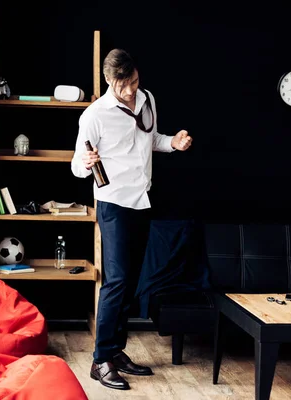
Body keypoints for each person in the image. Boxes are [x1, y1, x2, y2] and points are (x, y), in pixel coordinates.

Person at [71, 48, 192, 390]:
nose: (131, 91)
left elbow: (150, 140)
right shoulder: (94, 116)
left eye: (135, 81)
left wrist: (174, 144)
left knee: (132, 281)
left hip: (142, 200)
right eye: (124, 85)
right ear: (109, 81)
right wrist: (86, 159)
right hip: (113, 204)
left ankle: (116, 350)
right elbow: (77, 167)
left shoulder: (146, 98)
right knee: (117, 281)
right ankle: (100, 361)